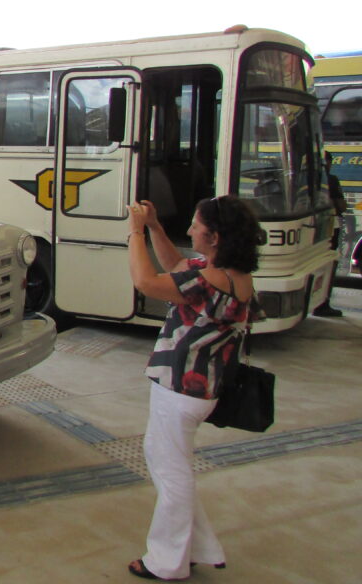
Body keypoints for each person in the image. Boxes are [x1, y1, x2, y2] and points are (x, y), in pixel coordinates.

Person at [125, 195, 264, 580]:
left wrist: (135, 232)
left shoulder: (210, 283)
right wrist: (154, 226)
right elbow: (174, 265)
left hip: (181, 390)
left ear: (215, 236)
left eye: (196, 225)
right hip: (197, 390)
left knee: (172, 475)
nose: (190, 230)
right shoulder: (230, 274)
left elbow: (146, 281)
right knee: (171, 465)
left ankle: (166, 562)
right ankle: (200, 547)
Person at [313, 152, 346, 318]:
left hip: (312, 229)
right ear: (328, 163)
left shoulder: (304, 180)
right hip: (329, 228)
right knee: (329, 264)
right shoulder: (330, 179)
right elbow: (342, 205)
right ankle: (323, 303)